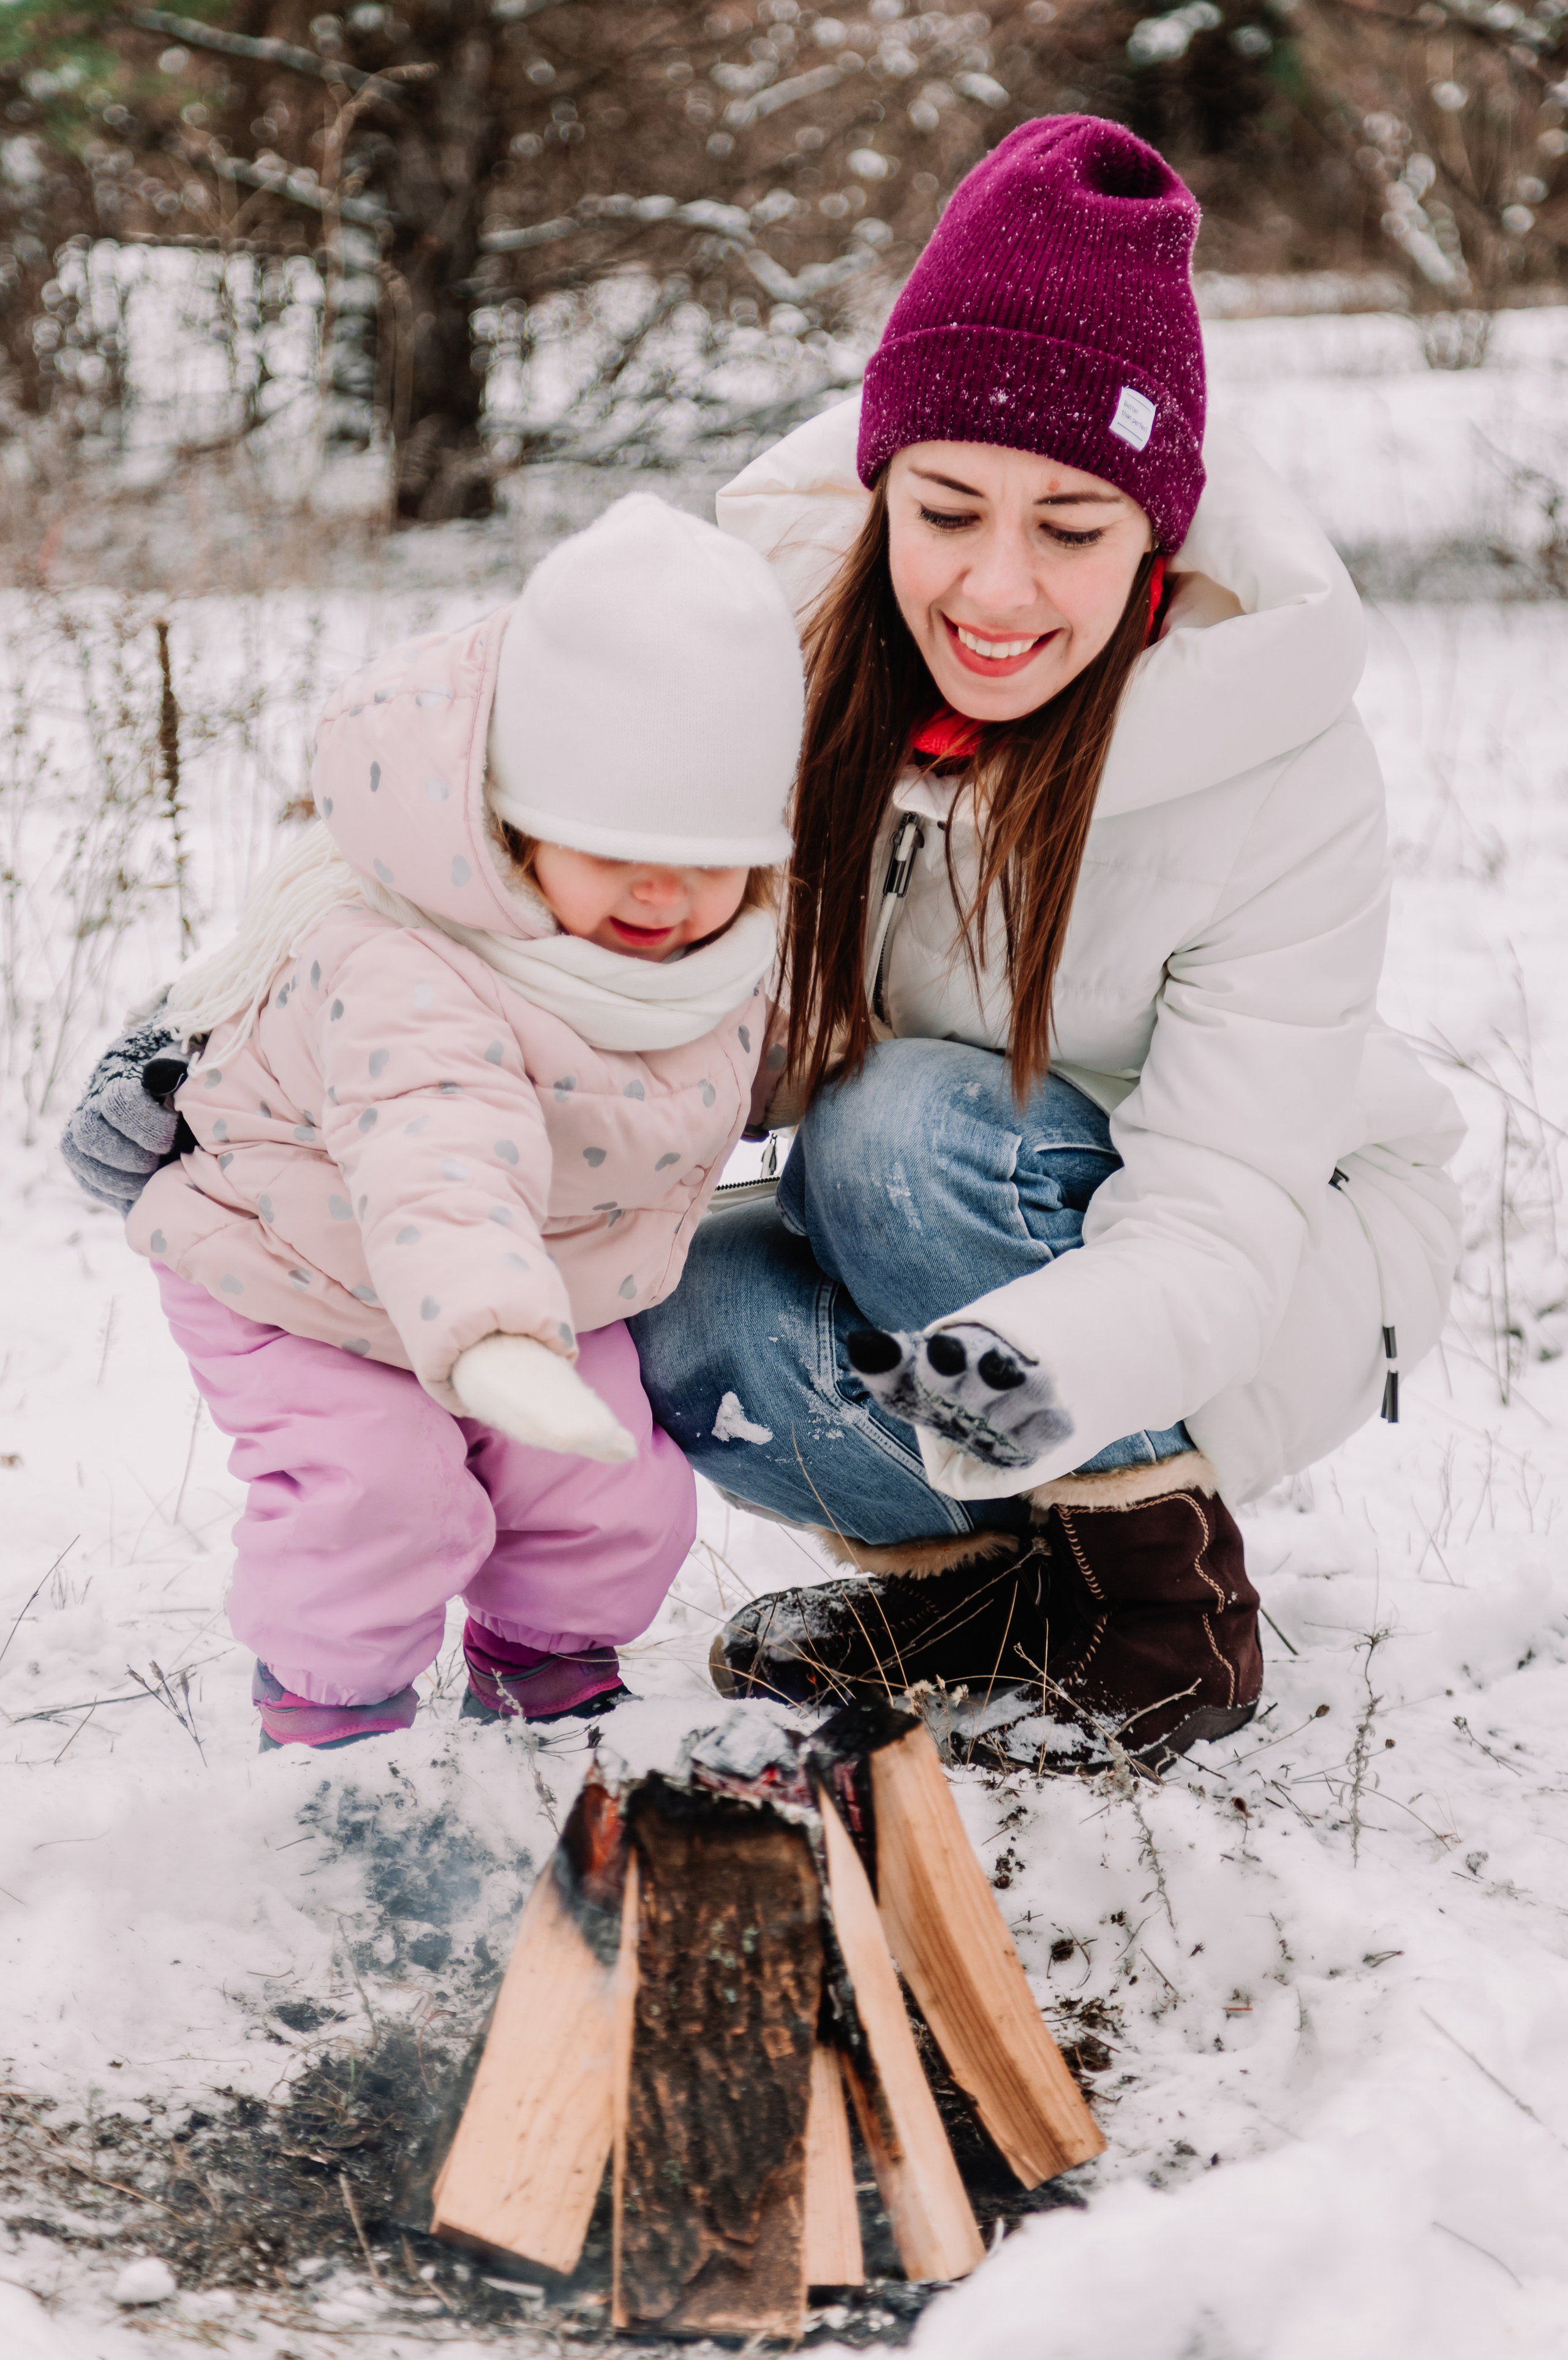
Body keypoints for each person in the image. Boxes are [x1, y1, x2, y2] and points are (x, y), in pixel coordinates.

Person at [625, 116, 1464, 1762]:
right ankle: (1004, 1591)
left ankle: (1163, 1608)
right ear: (881, 489)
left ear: (1157, 533)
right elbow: (609, 937)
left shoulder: (1279, 761)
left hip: (1262, 1251)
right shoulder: (786, 653)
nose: (994, 590)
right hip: (952, 1271)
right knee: (671, 1307)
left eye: (1070, 529)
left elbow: (1219, 1216)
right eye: (945, 510)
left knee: (892, 1132)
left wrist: (1029, 1363)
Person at [107, 496, 802, 1749]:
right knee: (379, 1495)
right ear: (518, 820)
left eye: (709, 858)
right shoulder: (410, 959)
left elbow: (778, 1058)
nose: (664, 890)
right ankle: (328, 1721)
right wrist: (492, 1335)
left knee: (612, 1496)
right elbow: (439, 1149)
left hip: (532, 1284)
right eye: (613, 845)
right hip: (298, 1265)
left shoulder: (727, 955)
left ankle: (545, 1674)